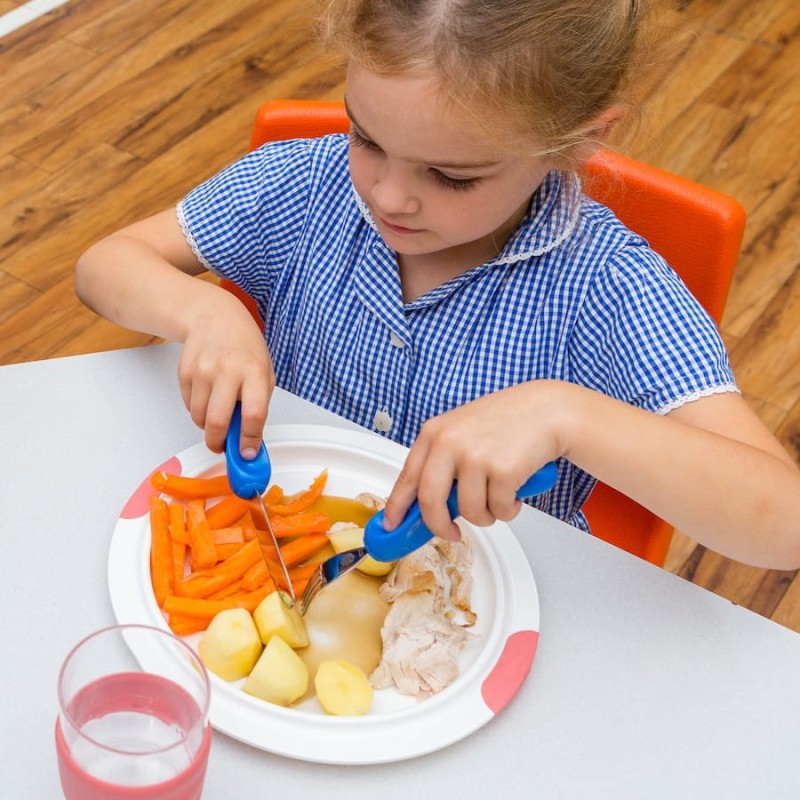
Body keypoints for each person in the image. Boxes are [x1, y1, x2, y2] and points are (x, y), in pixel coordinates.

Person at [75, 0, 800, 569]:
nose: (389, 196)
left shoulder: (606, 286)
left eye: (453, 176)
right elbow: (104, 264)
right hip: (278, 540)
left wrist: (567, 416)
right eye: (366, 137)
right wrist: (204, 312)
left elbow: (785, 521)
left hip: (489, 602)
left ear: (579, 140)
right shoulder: (305, 185)